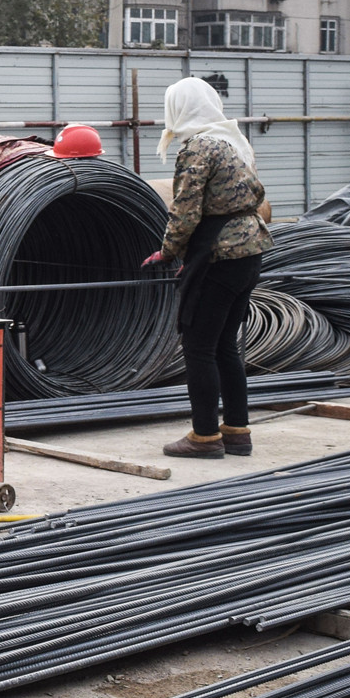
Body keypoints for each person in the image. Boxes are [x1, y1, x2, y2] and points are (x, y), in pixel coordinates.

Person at [145, 77, 272, 460]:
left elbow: (185, 209)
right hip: (250, 250)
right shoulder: (233, 139)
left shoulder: (199, 146)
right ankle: (236, 431)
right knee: (224, 345)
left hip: (221, 254)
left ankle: (204, 437)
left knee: (199, 345)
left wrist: (167, 252)